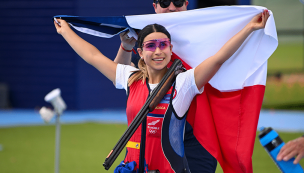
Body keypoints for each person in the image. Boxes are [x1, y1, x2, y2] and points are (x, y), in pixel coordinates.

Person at [54, 9, 269, 172]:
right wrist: (66, 31)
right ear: (140, 51)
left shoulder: (184, 83)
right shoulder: (131, 78)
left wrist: (249, 28)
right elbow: (93, 56)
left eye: (163, 45)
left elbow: (219, 58)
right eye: (150, 46)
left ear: (171, 49)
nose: (158, 51)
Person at [114, 0, 221, 172]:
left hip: (198, 140)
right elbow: (121, 75)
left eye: (178, 1)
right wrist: (126, 47)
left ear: (186, 4)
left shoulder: (205, 38)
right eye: (164, 2)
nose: (171, 7)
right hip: (157, 143)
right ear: (154, 6)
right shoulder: (147, 39)